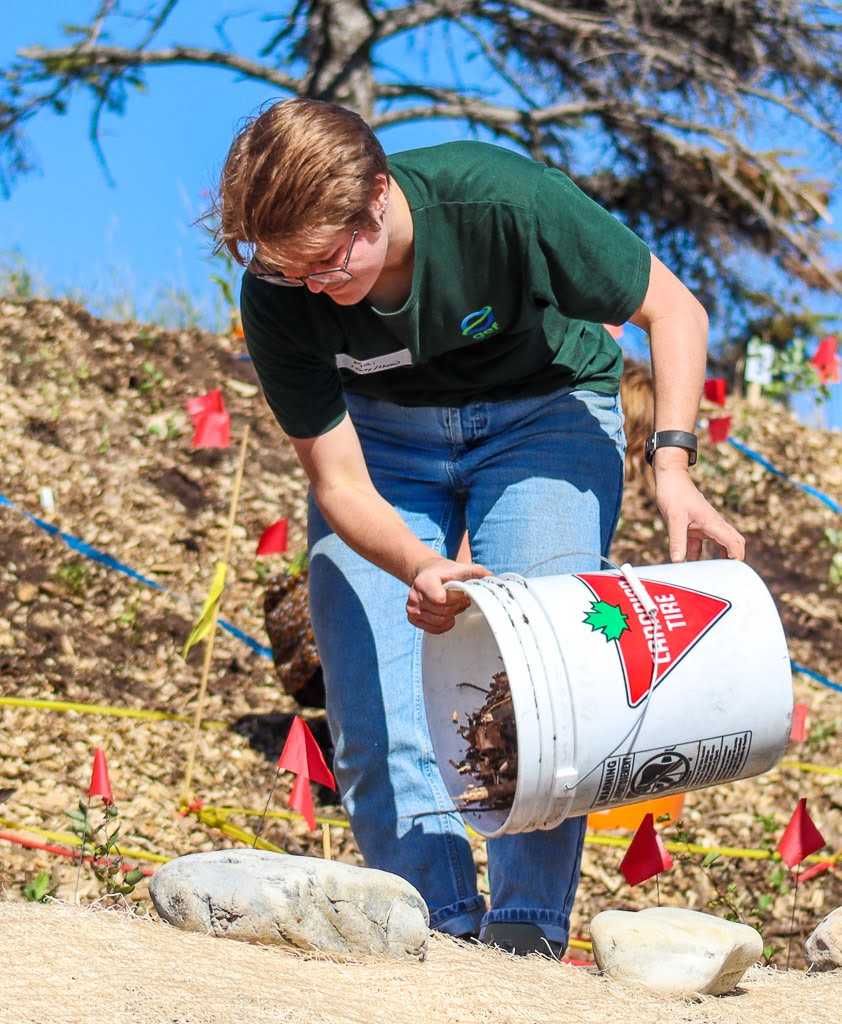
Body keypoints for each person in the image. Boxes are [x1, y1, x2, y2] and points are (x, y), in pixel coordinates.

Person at [213, 97, 745, 957]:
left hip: (545, 414)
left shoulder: (501, 201)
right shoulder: (280, 292)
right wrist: (419, 565)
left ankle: (524, 936)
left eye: (325, 261)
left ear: (377, 196)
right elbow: (340, 482)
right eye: (287, 270)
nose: (313, 286)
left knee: (549, 681)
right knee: (373, 698)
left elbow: (673, 310)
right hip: (384, 443)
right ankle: (436, 932)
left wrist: (673, 465)